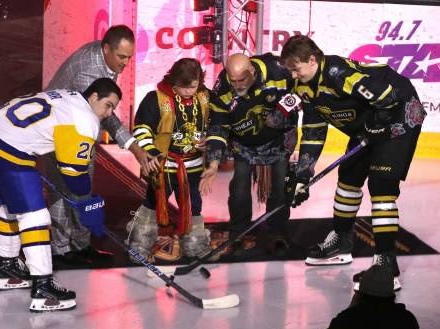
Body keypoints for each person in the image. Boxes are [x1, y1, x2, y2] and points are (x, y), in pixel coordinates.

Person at [280, 35, 426, 290]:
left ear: (312, 60)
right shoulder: (303, 87)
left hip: (400, 116)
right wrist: (303, 176)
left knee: (382, 188)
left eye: (296, 68)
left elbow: (388, 97)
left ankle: (386, 263)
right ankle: (342, 241)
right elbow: (314, 131)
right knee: (348, 178)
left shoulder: (338, 74)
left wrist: (378, 123)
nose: (293, 75)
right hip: (370, 122)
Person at [0, 78, 122, 312]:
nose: (110, 113)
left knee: (7, 210)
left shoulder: (68, 95)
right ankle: (43, 289)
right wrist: (89, 203)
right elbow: (74, 176)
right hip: (11, 150)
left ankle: (8, 268)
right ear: (93, 97)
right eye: (108, 105)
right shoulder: (85, 119)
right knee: (35, 217)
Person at [43, 25, 157, 264]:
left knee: (80, 191)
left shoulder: (103, 57)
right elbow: (106, 115)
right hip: (60, 131)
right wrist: (136, 149)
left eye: (129, 57)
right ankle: (61, 251)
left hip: (75, 127)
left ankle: (80, 246)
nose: (125, 63)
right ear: (107, 49)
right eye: (121, 56)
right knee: (64, 191)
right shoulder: (91, 70)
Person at [199, 53, 298, 256]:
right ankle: (238, 232)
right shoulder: (223, 88)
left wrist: (282, 112)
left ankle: (276, 232)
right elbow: (218, 125)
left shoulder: (277, 70)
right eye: (232, 80)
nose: (236, 85)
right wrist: (214, 163)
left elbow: (300, 90)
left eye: (241, 80)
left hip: (278, 140)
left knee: (280, 187)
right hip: (243, 143)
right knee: (239, 188)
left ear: (252, 71)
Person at [126, 58, 215, 263]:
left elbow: (219, 123)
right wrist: (150, 152)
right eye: (183, 87)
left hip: (193, 167)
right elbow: (141, 127)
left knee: (195, 205)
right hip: (163, 165)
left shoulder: (205, 97)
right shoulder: (155, 98)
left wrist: (210, 139)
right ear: (173, 81)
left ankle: (194, 245)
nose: (188, 91)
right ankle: (139, 244)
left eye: (193, 86)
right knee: (152, 203)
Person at [316, 265, 423, 329]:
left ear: (360, 294)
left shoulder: (348, 321)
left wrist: (349, 309)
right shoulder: (406, 320)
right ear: (391, 294)